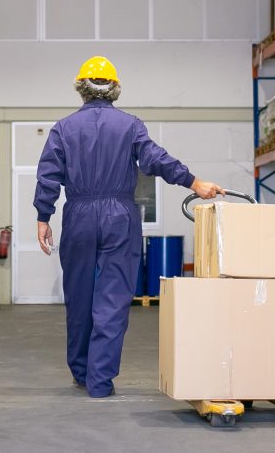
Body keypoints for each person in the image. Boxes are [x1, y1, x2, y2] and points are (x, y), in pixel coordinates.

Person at [33, 56, 224, 398]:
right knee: (113, 299)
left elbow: (48, 176)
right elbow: (156, 159)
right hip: (119, 216)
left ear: (81, 88)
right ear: (115, 89)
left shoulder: (63, 129)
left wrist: (43, 217)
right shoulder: (131, 126)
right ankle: (99, 382)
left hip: (78, 214)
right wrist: (194, 183)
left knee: (79, 297)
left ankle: (81, 372)